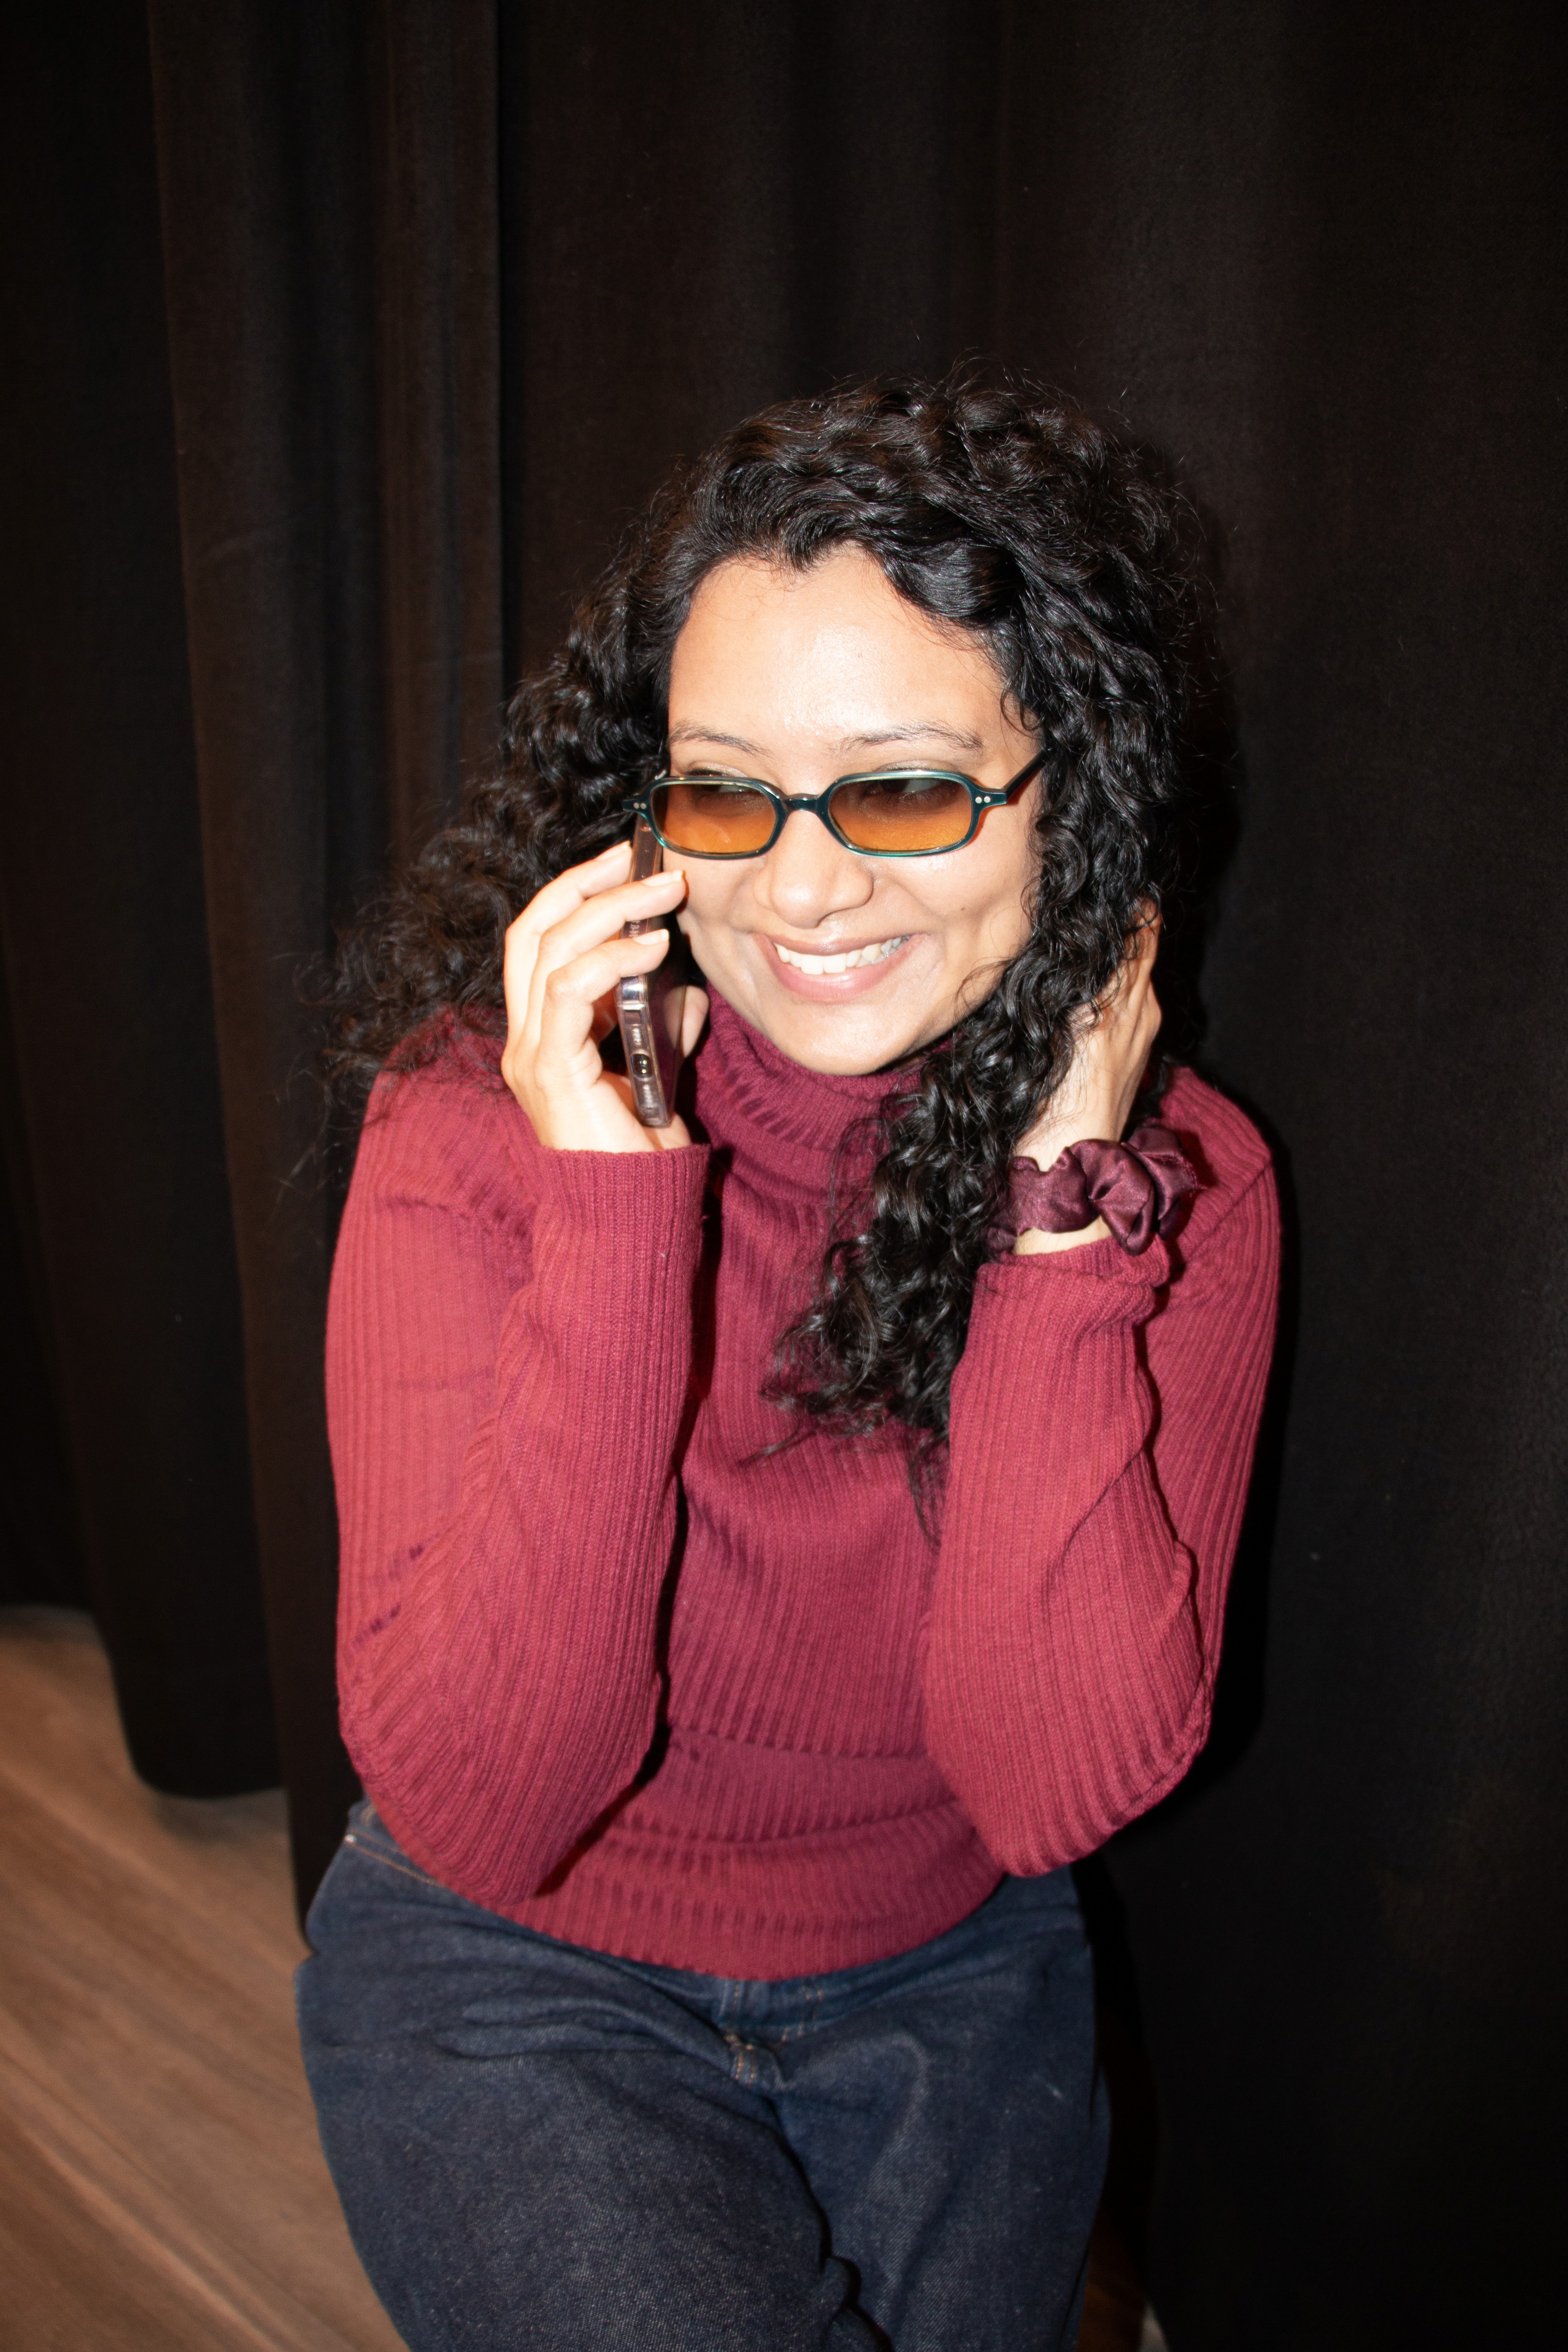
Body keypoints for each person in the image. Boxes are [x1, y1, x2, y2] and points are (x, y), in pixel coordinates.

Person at [297, 372, 1280, 2352]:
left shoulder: (1187, 1196)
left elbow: (1045, 1787)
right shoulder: (480, 1136)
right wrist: (615, 1212)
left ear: (1066, 791)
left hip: (943, 1970)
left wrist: (1060, 1231)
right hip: (518, 1962)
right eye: (726, 790)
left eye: (905, 790)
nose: (800, 884)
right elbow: (495, 1802)